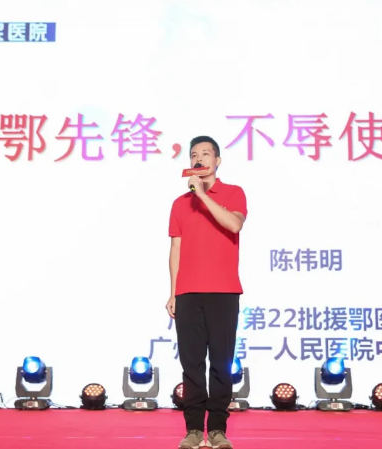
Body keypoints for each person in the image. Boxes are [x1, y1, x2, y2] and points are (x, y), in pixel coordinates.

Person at [166, 136, 247, 449]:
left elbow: (234, 225)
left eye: (205, 154)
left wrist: (202, 195)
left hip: (224, 292)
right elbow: (175, 249)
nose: (198, 159)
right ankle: (192, 430)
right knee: (192, 364)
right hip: (188, 293)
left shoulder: (233, 193)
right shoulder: (179, 204)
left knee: (221, 364)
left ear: (217, 161)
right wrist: (173, 292)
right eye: (193, 155)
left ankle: (216, 430)